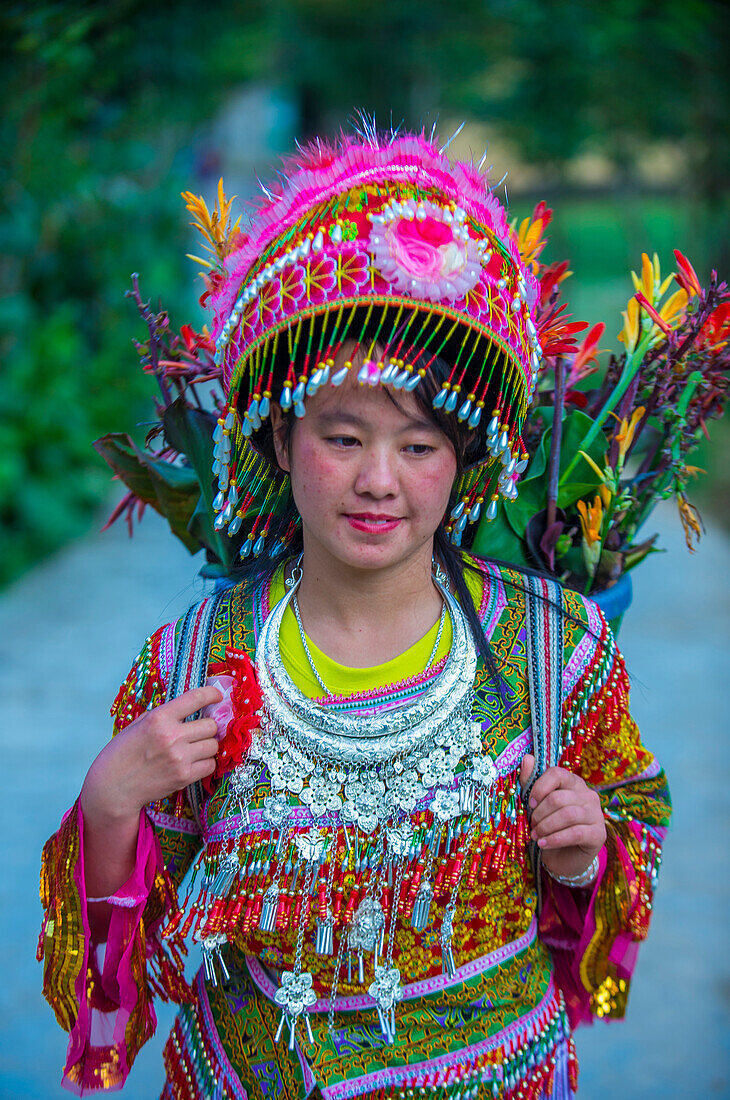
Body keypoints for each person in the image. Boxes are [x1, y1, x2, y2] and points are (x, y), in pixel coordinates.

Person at [39, 127, 671, 1099]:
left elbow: (625, 846)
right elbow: (128, 941)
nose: (379, 481)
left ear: (466, 463)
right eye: (342, 436)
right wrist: (113, 796)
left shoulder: (555, 652)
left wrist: (587, 850)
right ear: (281, 436)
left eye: (418, 446)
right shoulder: (192, 664)